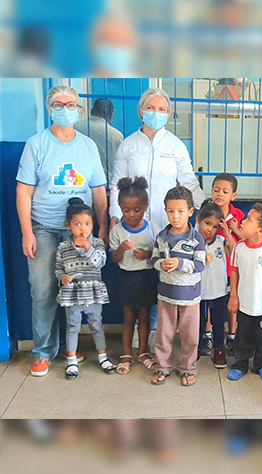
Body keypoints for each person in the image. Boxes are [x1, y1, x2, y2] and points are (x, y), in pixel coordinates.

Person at [16, 84, 108, 377]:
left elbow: (99, 191)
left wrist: (102, 229)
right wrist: (27, 232)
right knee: (43, 290)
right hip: (43, 228)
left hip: (79, 233)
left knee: (77, 291)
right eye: (59, 104)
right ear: (49, 108)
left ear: (79, 110)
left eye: (71, 104)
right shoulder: (37, 144)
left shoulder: (88, 146)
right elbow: (24, 191)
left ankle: (70, 348)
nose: (65, 109)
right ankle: (43, 352)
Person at [110, 87, 205, 234]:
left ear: (168, 114)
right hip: (133, 222)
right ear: (141, 111)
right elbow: (118, 184)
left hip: (167, 222)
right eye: (150, 108)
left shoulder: (176, 146)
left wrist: (205, 209)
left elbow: (189, 182)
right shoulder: (128, 145)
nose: (156, 113)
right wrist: (115, 215)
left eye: (161, 109)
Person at [150, 187, 206, 386]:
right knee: (164, 333)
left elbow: (200, 265)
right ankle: (163, 366)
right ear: (165, 211)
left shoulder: (196, 239)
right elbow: (153, 260)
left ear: (190, 211)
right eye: (171, 211)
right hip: (166, 294)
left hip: (190, 296)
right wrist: (161, 264)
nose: (175, 216)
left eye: (181, 211)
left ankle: (188, 368)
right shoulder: (161, 237)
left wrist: (180, 263)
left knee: (189, 335)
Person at [55, 198, 116, 379]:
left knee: (96, 324)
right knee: (72, 326)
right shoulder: (63, 247)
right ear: (68, 225)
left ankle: (103, 357)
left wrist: (87, 246)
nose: (83, 228)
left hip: (93, 292)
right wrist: (62, 278)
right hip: (72, 293)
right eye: (78, 224)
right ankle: (72, 361)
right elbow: (58, 268)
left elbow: (100, 263)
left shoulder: (97, 243)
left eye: (88, 224)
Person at [226, 203, 262, 383]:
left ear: (261, 230)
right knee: (242, 337)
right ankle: (240, 365)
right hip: (244, 305)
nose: (243, 221)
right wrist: (233, 295)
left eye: (249, 220)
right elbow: (234, 271)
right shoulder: (239, 247)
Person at [109, 176, 158, 375]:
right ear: (120, 207)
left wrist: (147, 254)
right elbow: (113, 259)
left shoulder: (151, 227)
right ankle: (127, 353)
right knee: (128, 317)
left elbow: (158, 254)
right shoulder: (117, 230)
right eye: (126, 210)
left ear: (145, 206)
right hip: (127, 277)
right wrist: (122, 248)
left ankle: (143, 352)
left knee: (145, 316)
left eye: (136, 210)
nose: (131, 215)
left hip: (147, 277)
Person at [196, 200, 235, 369]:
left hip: (219, 291)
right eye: (207, 223)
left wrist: (227, 232)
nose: (209, 229)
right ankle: (196, 347)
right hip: (198, 292)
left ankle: (219, 349)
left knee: (219, 322)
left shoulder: (220, 240)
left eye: (214, 226)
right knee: (199, 322)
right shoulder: (193, 241)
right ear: (198, 219)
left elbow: (235, 252)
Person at [210, 172, 245, 355]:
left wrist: (235, 229)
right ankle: (207, 334)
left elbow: (245, 238)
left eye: (225, 191)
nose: (220, 194)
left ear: (233, 195)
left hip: (232, 268)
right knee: (209, 301)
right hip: (211, 267)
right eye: (216, 190)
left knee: (232, 301)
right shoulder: (207, 212)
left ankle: (232, 335)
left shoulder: (238, 215)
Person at [75, 98, 124, 184]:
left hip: (79, 180)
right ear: (111, 114)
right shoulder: (116, 135)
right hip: (105, 182)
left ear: (91, 111)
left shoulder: (76, 127)